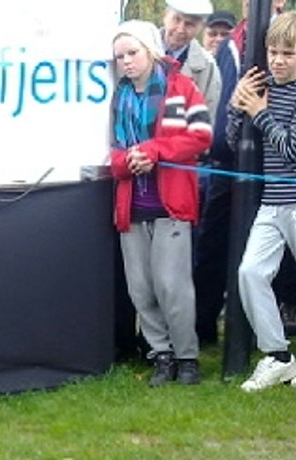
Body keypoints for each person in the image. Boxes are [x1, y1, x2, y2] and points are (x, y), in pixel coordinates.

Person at [227, 11, 296, 391]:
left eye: (287, 53)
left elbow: (292, 147)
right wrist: (237, 103)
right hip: (272, 200)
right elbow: (231, 139)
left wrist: (259, 112)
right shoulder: (263, 85)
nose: (277, 60)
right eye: (273, 51)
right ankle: (277, 355)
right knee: (250, 272)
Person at [109, 20, 213, 386]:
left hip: (171, 203)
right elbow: (113, 153)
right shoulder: (117, 96)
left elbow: (201, 135)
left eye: (132, 53)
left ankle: (187, 357)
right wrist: (127, 161)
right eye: (120, 56)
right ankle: (161, 354)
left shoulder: (181, 87)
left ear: (150, 50)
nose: (126, 62)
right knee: (141, 287)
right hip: (131, 205)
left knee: (173, 285)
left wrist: (154, 151)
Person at [192, 0, 288, 346]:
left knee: (264, 254)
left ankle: (258, 333)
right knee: (212, 245)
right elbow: (221, 103)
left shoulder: (287, 38)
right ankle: (203, 326)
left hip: (271, 164)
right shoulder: (232, 43)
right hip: (226, 163)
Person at [164, 0, 224, 120]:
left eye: (189, 24)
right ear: (165, 15)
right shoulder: (138, 50)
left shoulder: (208, 68)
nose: (180, 29)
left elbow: (205, 122)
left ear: (200, 28)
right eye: (176, 19)